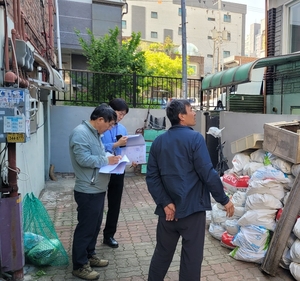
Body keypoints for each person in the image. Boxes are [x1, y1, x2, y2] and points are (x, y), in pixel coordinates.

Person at [146, 99, 234, 281]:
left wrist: (165, 202)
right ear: (181, 116)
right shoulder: (195, 138)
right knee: (191, 260)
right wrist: (223, 199)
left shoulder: (158, 142)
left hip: (167, 212)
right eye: (191, 110)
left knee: (162, 255)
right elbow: (207, 173)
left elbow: (152, 177)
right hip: (192, 211)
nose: (194, 113)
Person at [69, 104, 122, 281]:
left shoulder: (94, 134)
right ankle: (79, 265)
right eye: (110, 124)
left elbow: (98, 154)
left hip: (97, 188)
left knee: (94, 225)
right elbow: (83, 159)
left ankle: (89, 255)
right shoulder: (80, 133)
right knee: (85, 228)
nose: (110, 128)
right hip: (88, 189)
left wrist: (112, 158)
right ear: (100, 120)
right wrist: (106, 159)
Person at [101, 98, 130, 248]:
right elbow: (97, 147)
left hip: (118, 170)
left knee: (115, 204)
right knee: (98, 205)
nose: (121, 117)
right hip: (103, 169)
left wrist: (132, 156)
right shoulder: (101, 127)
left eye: (123, 115)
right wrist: (115, 144)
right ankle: (92, 234)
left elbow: (125, 148)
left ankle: (109, 235)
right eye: (119, 113)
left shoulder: (123, 129)